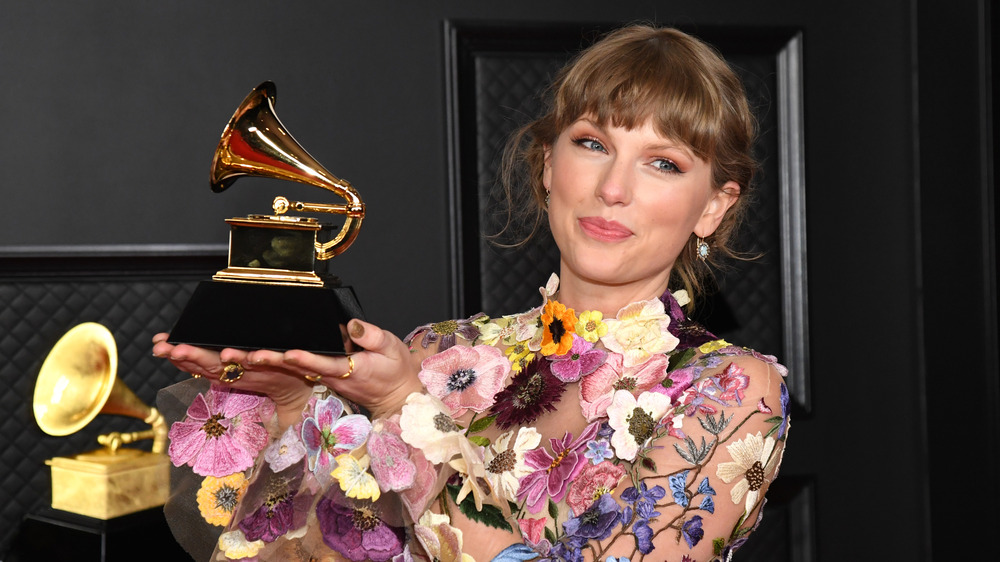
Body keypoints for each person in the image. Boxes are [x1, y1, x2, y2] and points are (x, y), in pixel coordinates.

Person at [153, 25, 789, 562]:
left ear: (712, 206)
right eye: (592, 144)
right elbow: (319, 548)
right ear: (548, 165)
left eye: (663, 162)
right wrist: (293, 407)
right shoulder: (437, 352)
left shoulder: (731, 389)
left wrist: (403, 410)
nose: (613, 188)